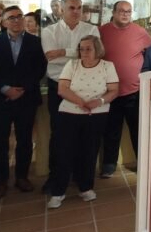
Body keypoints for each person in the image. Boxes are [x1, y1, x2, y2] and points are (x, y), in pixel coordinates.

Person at [47, 35, 119, 209]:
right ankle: (58, 192)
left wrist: (99, 102)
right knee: (64, 152)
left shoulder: (107, 66)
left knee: (89, 151)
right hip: (69, 113)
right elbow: (62, 89)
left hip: (97, 115)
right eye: (81, 48)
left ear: (97, 50)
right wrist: (81, 102)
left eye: (88, 48)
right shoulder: (72, 65)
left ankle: (86, 188)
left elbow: (113, 90)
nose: (84, 52)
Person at [0, 6, 47, 198]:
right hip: (0, 100)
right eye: (11, 17)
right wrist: (6, 89)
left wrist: (22, 89)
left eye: (19, 16)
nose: (17, 20)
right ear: (4, 22)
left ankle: (22, 177)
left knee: (25, 140)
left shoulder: (35, 42)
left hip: (26, 99)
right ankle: (1, 180)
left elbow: (40, 68)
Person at [40, 0, 100, 193]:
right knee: (59, 134)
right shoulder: (49, 31)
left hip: (85, 87)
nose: (76, 11)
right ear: (62, 10)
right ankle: (56, 177)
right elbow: (50, 56)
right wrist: (78, 52)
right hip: (58, 87)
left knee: (84, 134)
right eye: (72, 8)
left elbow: (93, 54)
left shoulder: (91, 30)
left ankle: (80, 177)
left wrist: (63, 52)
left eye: (79, 7)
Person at [99, 1, 151, 178]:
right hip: (109, 92)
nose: (125, 14)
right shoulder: (102, 31)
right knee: (110, 130)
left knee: (137, 130)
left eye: (128, 12)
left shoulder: (140, 32)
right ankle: (109, 165)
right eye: (122, 11)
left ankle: (142, 163)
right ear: (113, 12)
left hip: (134, 92)